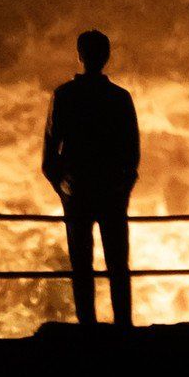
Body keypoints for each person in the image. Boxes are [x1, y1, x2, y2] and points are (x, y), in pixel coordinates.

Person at [41, 29, 140, 326]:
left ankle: (88, 326)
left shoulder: (65, 96)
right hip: (111, 192)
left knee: (82, 265)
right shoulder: (119, 98)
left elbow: (49, 155)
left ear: (80, 56)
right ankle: (123, 326)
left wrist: (64, 189)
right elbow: (132, 153)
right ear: (106, 56)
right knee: (117, 265)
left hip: (78, 191)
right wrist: (123, 187)